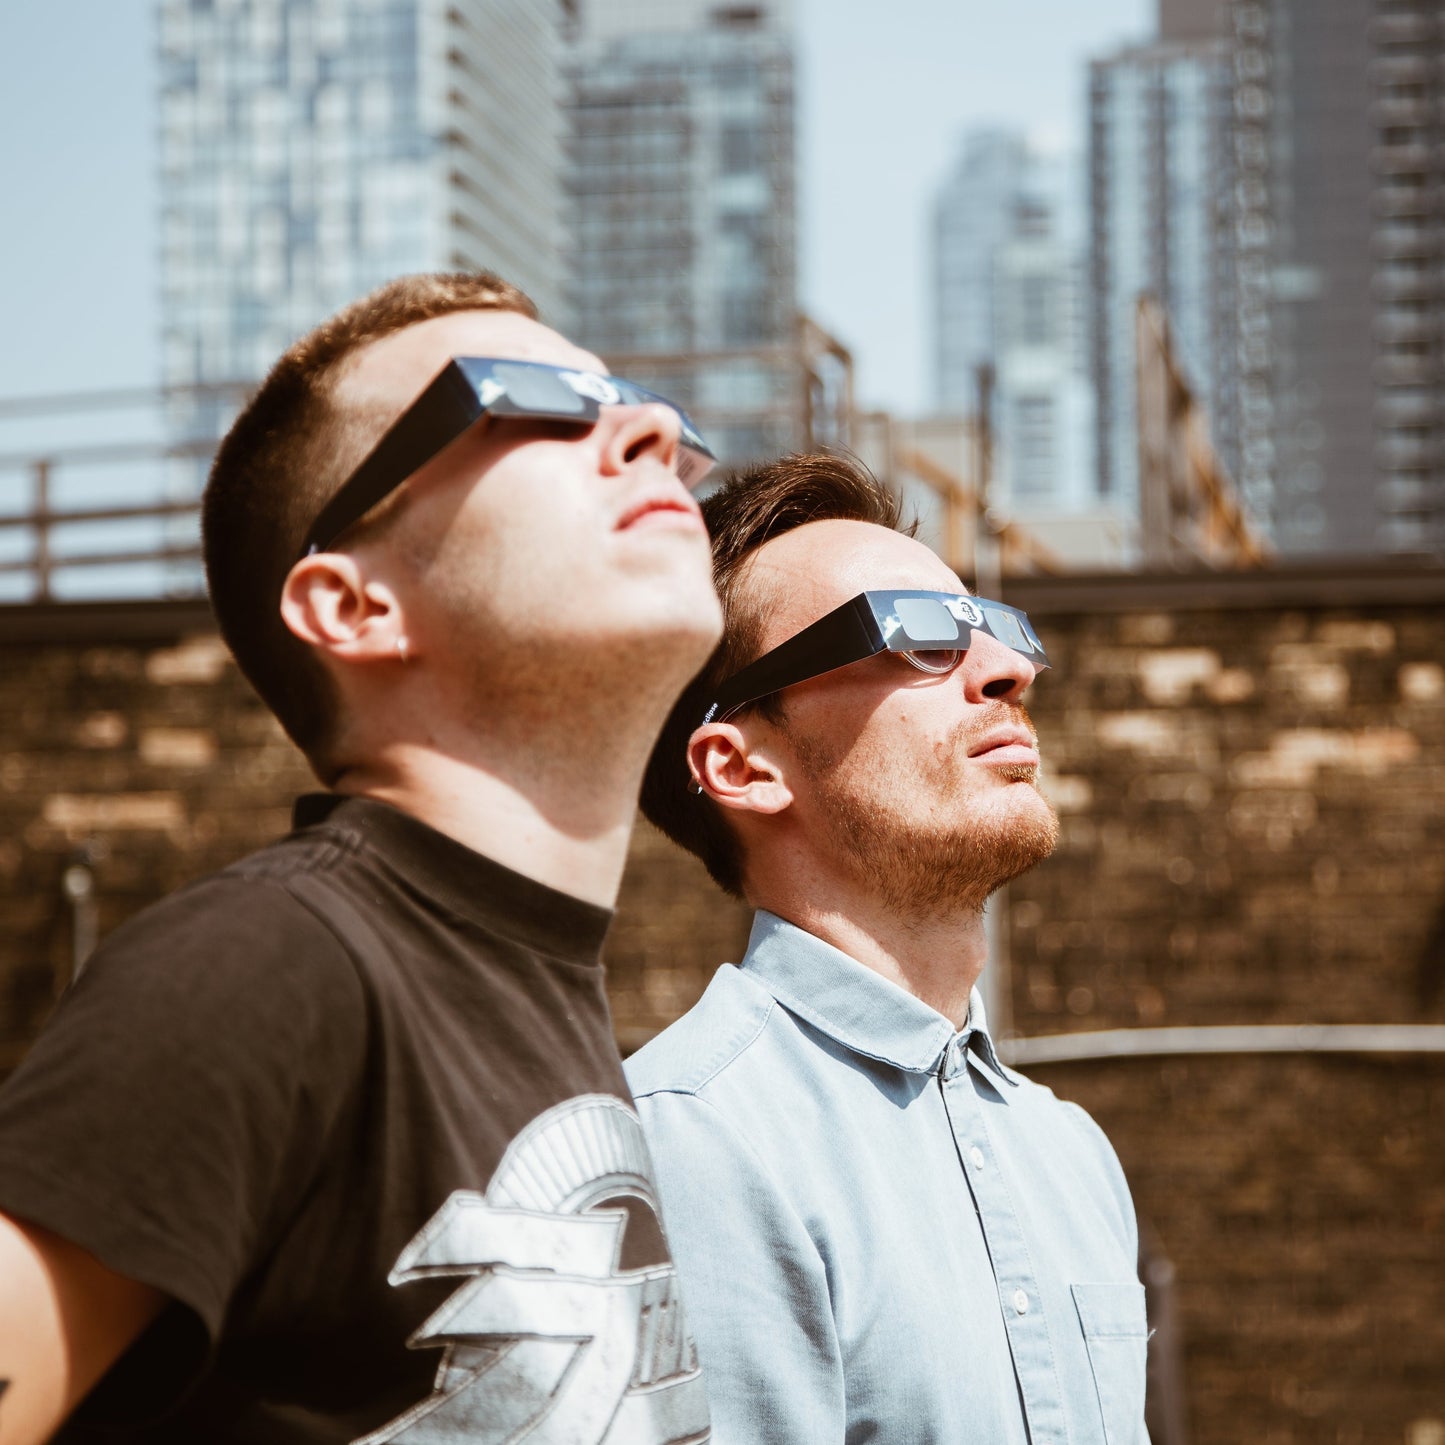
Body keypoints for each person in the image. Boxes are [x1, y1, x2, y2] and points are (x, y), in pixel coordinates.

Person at [0, 272, 722, 1445]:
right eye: (530, 398)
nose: (648, 429)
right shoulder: (262, 967)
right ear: (353, 606)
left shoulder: (539, 993)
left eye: (636, 402)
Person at [627, 453, 1150, 1444]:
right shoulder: (690, 1146)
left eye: (988, 630)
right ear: (741, 762)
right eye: (910, 634)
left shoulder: (1067, 1151)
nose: (1007, 670)